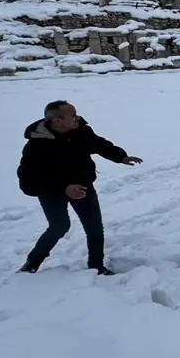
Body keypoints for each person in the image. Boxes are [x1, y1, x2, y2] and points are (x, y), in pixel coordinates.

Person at [17, 101, 143, 275]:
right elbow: (28, 182)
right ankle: (33, 262)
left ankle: (97, 267)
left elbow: (98, 144)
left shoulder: (80, 131)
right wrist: (64, 188)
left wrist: (120, 157)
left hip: (83, 187)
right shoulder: (36, 145)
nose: (77, 118)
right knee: (59, 226)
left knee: (94, 228)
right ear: (57, 121)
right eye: (73, 115)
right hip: (51, 192)